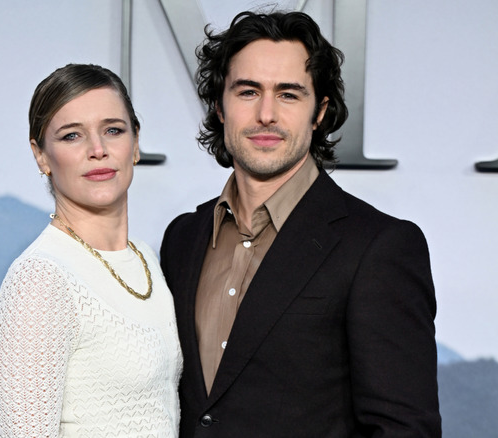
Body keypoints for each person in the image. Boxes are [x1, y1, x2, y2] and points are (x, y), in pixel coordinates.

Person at [160, 11, 440, 437]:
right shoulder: (183, 237)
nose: (266, 114)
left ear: (319, 112)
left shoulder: (379, 246)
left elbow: (403, 429)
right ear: (219, 106)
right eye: (248, 91)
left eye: (288, 95)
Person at [0, 64, 182, 437]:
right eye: (72, 136)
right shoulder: (40, 280)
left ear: (136, 143)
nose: (98, 150)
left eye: (113, 130)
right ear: (41, 156)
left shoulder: (145, 257)